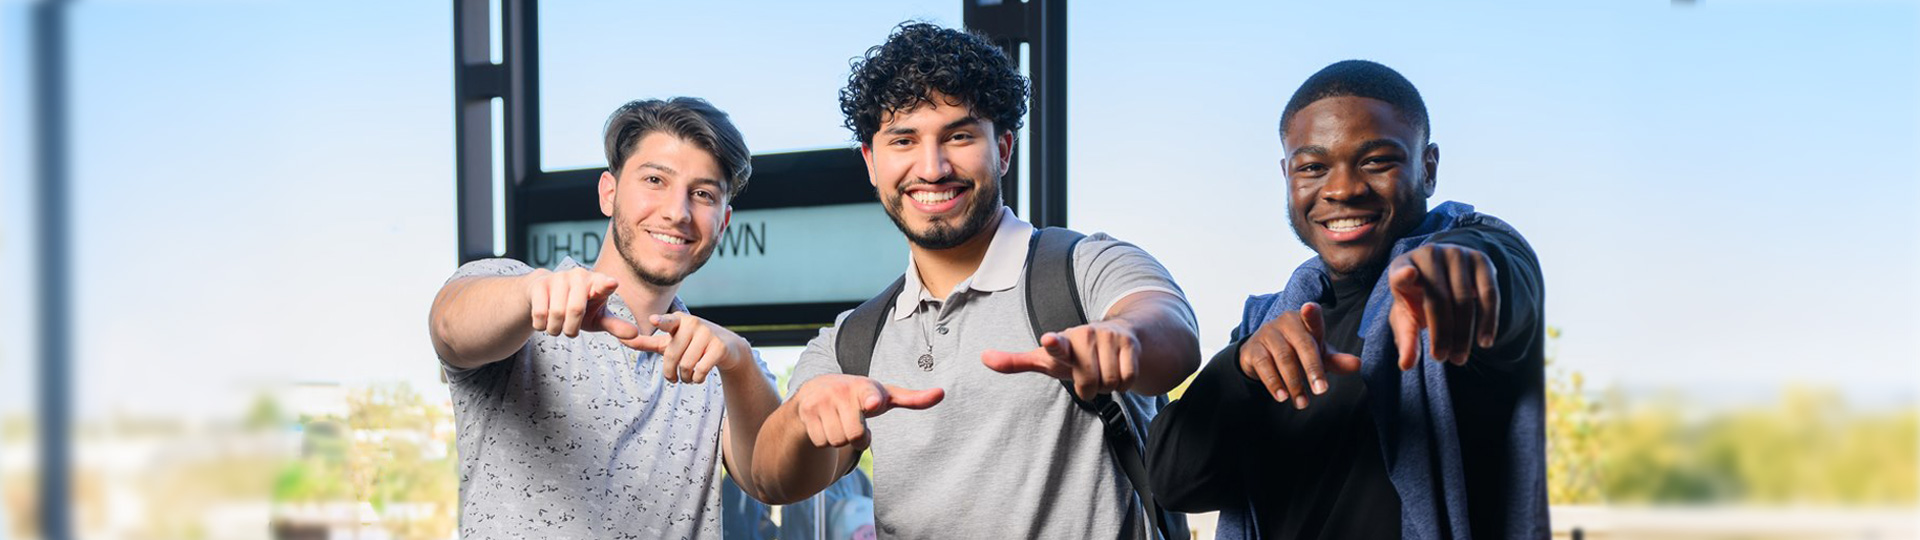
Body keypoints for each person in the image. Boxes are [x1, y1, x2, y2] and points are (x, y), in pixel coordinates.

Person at [738, 22, 1202, 539]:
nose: (932, 168)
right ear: (871, 163)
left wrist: (1127, 339)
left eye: (959, 136)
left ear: (1003, 149)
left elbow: (1172, 329)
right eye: (904, 140)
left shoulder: (1084, 267)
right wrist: (803, 413)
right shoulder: (853, 339)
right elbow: (770, 479)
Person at [1146, 60, 1548, 540]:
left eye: (1376, 161)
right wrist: (1239, 369)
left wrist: (1451, 264)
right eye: (1313, 167)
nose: (1342, 189)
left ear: (1428, 167)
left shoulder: (1471, 265)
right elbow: (1173, 484)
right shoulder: (1267, 325)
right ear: (1287, 176)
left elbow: (1498, 271)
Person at [427, 97, 782, 539]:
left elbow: (770, 480)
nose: (677, 211)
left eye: (703, 194)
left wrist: (740, 360)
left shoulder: (721, 365)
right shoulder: (516, 293)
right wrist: (531, 295)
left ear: (723, 221)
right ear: (608, 193)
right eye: (655, 179)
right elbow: (450, 328)